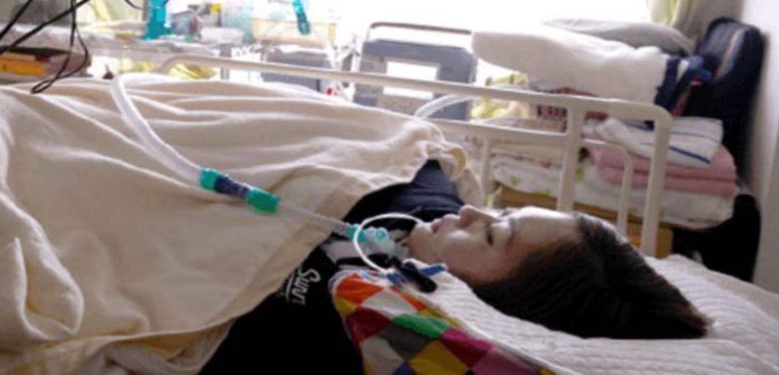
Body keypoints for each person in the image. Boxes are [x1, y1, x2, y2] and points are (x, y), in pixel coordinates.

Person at [203, 160, 707, 373]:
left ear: (495, 304)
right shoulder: (422, 199)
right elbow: (406, 147)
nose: (470, 212)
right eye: (501, 213)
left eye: (492, 235)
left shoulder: (355, 330)